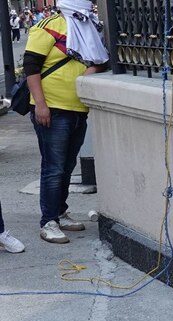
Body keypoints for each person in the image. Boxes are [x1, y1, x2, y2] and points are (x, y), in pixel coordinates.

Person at [24, 0, 109, 245]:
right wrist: (40, 104)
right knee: (53, 168)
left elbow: (98, 62)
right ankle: (48, 221)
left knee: (67, 165)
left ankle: (60, 212)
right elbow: (32, 67)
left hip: (77, 109)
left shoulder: (89, 29)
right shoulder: (49, 26)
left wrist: (88, 75)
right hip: (52, 109)